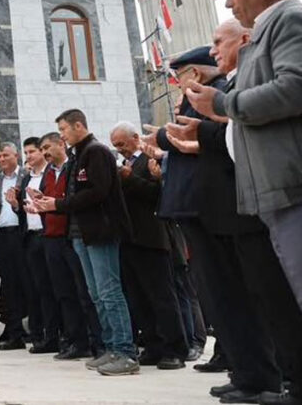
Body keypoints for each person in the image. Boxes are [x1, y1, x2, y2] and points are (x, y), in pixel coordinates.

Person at [168, 20, 302, 405]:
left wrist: (196, 134)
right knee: (233, 300)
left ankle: (271, 377)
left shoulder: (234, 89)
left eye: (217, 42)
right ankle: (252, 374)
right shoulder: (224, 90)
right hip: (220, 208)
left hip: (246, 204)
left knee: (264, 298)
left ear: (245, 40)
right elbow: (229, 138)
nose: (212, 51)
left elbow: (240, 137)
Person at [187, 0, 302, 312]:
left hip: (292, 188)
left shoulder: (288, 19)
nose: (227, 2)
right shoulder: (269, 30)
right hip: (276, 193)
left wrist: (222, 104)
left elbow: (294, 88)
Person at [32, 109, 138, 376]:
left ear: (79, 126)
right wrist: (52, 205)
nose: (63, 136)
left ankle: (126, 351)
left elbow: (98, 192)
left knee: (109, 293)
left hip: (100, 231)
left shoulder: (96, 152)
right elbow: (74, 195)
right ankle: (110, 347)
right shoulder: (78, 156)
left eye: (64, 130)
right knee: (96, 296)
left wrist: (58, 204)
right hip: (79, 234)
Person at [110, 122, 187, 370]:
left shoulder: (149, 160)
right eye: (115, 146)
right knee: (139, 298)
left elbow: (157, 194)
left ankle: (175, 348)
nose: (120, 149)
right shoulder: (124, 166)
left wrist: (129, 179)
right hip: (128, 240)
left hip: (152, 238)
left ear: (135, 138)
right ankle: (152, 346)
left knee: (162, 297)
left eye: (122, 144)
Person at [36, 133, 101, 360]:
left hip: (71, 236)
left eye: (47, 147)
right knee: (64, 293)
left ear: (61, 144)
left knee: (84, 292)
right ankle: (76, 341)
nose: (44, 153)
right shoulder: (47, 172)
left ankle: (98, 342)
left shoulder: (72, 167)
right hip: (51, 238)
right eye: (41, 149)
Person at [12, 137, 61, 354]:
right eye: (26, 152)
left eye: (32, 151)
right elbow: (24, 209)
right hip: (30, 237)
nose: (29, 155)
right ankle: (43, 336)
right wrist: (16, 206)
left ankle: (63, 335)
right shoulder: (24, 180)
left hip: (49, 234)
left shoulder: (51, 174)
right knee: (38, 289)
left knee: (57, 287)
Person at [0, 142, 35, 350]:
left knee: (30, 282)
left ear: (16, 156)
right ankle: (15, 334)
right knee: (10, 286)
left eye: (5, 155)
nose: (1, 160)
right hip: (1, 236)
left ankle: (38, 330)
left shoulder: (26, 176)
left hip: (22, 234)